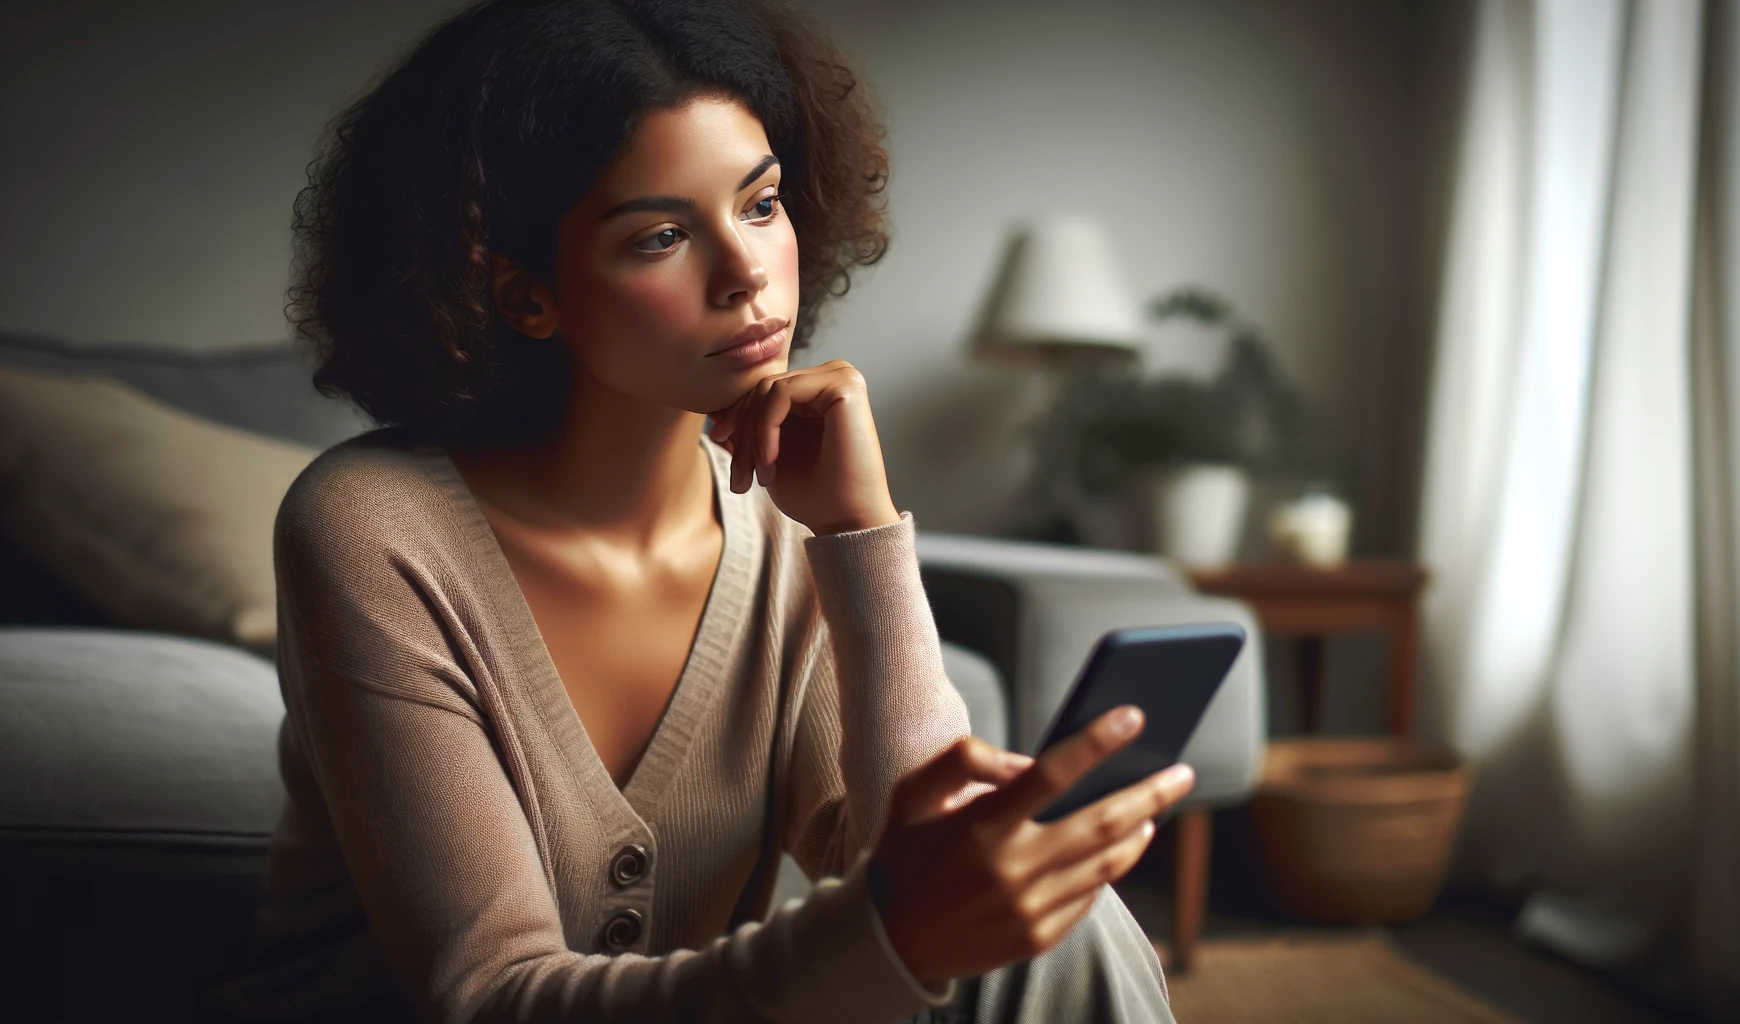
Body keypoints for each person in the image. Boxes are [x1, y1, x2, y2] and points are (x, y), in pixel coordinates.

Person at [205, 1, 1190, 1020]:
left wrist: (861, 535)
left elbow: (908, 849)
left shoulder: (782, 523)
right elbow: (486, 994)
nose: (746, 273)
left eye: (760, 205)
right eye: (663, 235)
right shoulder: (372, 530)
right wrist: (899, 928)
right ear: (521, 292)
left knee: (1066, 920)